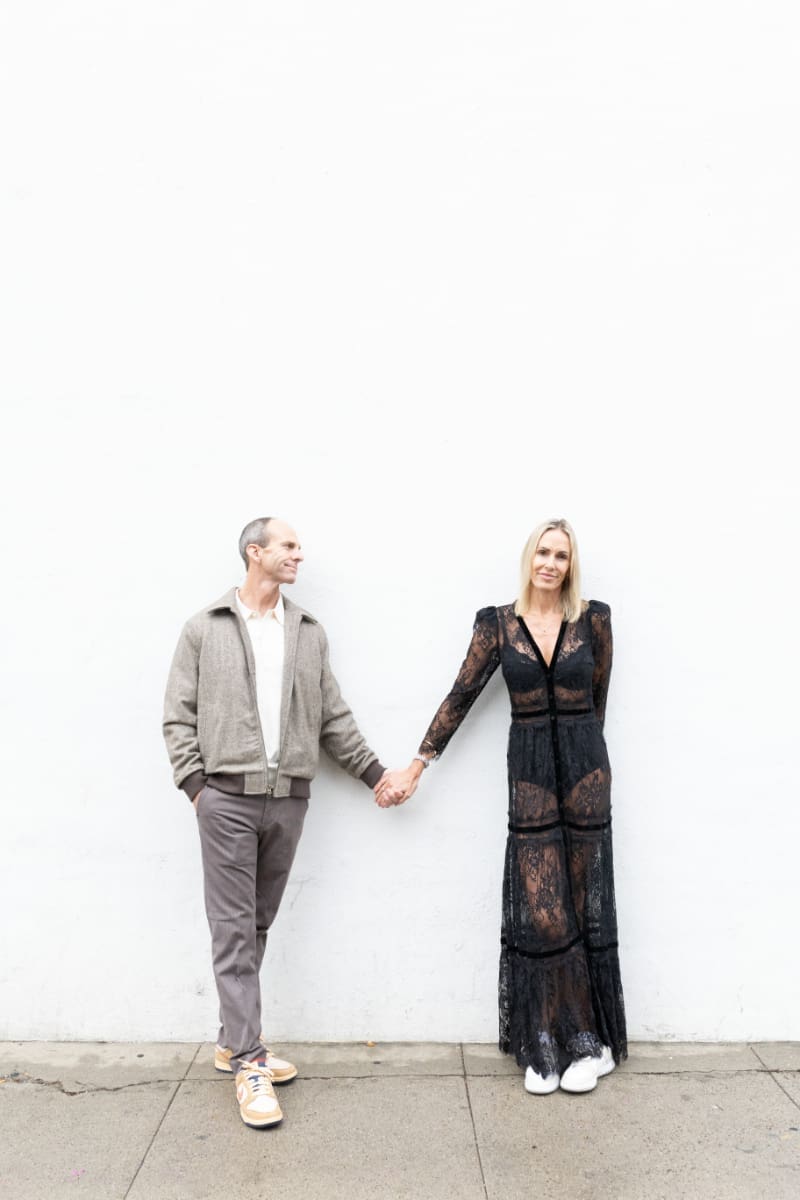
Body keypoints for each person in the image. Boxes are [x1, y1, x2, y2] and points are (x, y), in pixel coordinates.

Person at [163, 517, 401, 1128]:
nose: (300, 555)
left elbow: (332, 717)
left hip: (288, 799)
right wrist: (197, 788)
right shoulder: (204, 628)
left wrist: (375, 773)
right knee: (233, 930)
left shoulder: (306, 633)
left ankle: (229, 1040)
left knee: (256, 923)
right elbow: (177, 716)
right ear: (256, 552)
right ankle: (248, 1062)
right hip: (226, 799)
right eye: (289, 545)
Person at [376, 518, 627, 1095]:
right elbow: (461, 693)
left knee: (584, 902)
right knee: (545, 912)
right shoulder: (496, 624)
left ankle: (593, 1045)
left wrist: (588, 762)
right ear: (528, 557)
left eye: (561, 555)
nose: (551, 563)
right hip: (531, 774)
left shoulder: (595, 619)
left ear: (571, 564)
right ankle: (546, 1040)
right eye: (543, 551)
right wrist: (418, 763)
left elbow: (599, 695)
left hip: (586, 772)